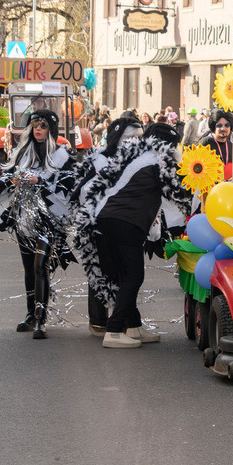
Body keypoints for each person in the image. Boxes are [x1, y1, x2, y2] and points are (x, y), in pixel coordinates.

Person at [71, 122, 192, 349]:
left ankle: (133, 326)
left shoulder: (141, 157)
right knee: (133, 276)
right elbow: (177, 193)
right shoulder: (158, 161)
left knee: (126, 275)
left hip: (110, 219)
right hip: (125, 222)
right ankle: (114, 331)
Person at [0, 110, 76, 339]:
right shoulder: (21, 153)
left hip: (50, 219)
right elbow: (5, 177)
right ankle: (31, 314)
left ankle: (40, 319)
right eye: (34, 124)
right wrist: (13, 180)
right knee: (29, 268)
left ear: (51, 129)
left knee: (40, 266)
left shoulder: (61, 156)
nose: (38, 129)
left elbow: (69, 183)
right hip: (24, 218)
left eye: (43, 125)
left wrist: (40, 181)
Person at [71, 115, 145, 337]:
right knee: (100, 271)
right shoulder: (101, 159)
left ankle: (125, 320)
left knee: (125, 273)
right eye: (132, 137)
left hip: (127, 224)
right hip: (99, 223)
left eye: (140, 137)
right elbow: (84, 190)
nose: (137, 141)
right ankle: (99, 321)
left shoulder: (137, 159)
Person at [202, 109, 233, 180]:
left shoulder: (231, 145)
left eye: (227, 125)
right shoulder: (206, 143)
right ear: (214, 127)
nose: (223, 128)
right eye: (219, 125)